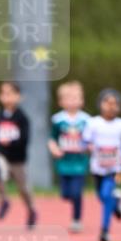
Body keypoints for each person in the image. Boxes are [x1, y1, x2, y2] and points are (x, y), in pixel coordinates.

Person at [83, 88, 121, 241]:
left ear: (119, 107)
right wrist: (88, 146)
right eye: (107, 103)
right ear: (100, 104)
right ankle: (116, 203)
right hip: (98, 167)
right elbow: (85, 141)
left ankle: (104, 231)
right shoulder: (93, 123)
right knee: (101, 196)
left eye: (114, 104)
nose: (111, 107)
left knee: (106, 193)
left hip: (116, 169)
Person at [0, 81, 37, 229]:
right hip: (2, 157)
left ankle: (31, 210)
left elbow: (25, 140)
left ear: (18, 96)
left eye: (10, 94)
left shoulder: (22, 117)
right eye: (3, 94)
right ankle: (4, 200)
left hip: (18, 160)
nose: (6, 97)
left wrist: (10, 143)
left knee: (23, 189)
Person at [48, 81, 91, 233]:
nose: (72, 101)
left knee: (77, 192)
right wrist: (54, 149)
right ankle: (71, 201)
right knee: (66, 194)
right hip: (64, 162)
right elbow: (52, 138)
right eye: (69, 98)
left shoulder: (86, 120)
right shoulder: (58, 120)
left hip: (79, 161)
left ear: (82, 100)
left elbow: (91, 139)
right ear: (61, 101)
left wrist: (90, 147)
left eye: (76, 98)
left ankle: (76, 220)